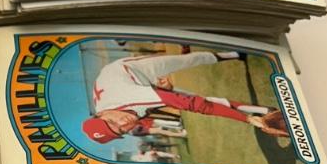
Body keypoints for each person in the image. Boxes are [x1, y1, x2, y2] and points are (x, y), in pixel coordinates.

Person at [81, 49, 288, 146]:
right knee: (204, 100)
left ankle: (234, 54)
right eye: (119, 131)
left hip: (130, 70)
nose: (123, 124)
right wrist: (167, 92)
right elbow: (195, 102)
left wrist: (247, 120)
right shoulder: (124, 115)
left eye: (111, 122)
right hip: (135, 90)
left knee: (187, 60)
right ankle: (263, 110)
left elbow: (196, 106)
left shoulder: (130, 98)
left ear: (101, 114)